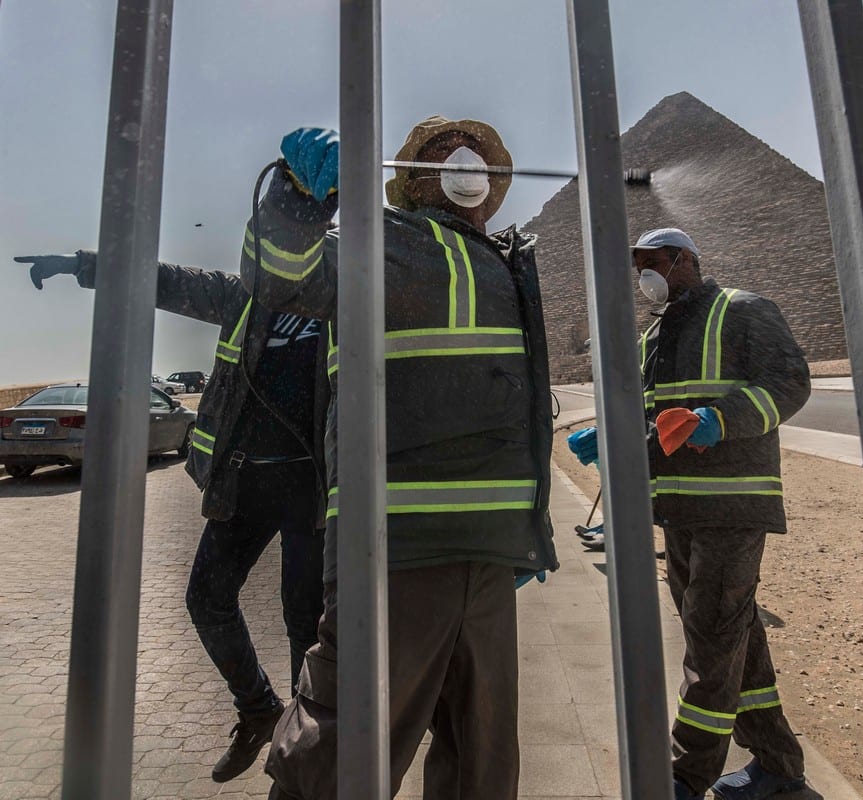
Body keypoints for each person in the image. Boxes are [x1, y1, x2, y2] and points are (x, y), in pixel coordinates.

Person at [242, 118, 558, 800]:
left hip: (492, 557)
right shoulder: (380, 243)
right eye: (443, 150)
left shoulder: (503, 262)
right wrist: (297, 197)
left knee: (484, 762)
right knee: (336, 760)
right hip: (392, 554)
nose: (465, 158)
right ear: (412, 181)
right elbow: (283, 277)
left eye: (477, 152)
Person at [14, 250, 329, 783]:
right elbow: (161, 279)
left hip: (311, 486)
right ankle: (257, 711)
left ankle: (305, 760)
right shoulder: (242, 297)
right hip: (243, 480)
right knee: (206, 598)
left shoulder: (338, 299)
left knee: (304, 621)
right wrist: (82, 265)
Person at [569, 227, 811, 800]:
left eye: (653, 261)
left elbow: (789, 384)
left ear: (685, 260)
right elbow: (655, 423)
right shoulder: (655, 335)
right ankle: (779, 767)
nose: (644, 274)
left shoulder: (743, 309)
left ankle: (684, 774)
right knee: (733, 639)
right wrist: (611, 437)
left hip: (732, 504)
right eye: (638, 266)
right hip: (677, 509)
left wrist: (719, 419)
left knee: (709, 637)